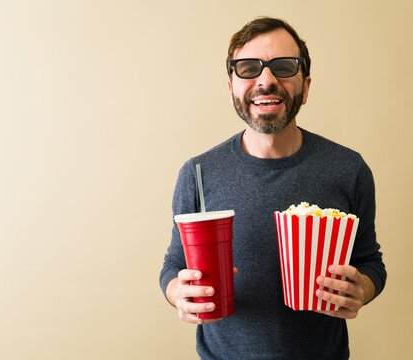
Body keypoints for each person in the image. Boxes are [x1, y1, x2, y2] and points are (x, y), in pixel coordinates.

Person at [159, 17, 386, 360]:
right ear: (232, 86)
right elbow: (173, 266)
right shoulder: (198, 174)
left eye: (283, 67)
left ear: (305, 87)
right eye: (248, 68)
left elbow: (370, 263)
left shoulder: (348, 169)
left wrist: (361, 289)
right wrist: (180, 293)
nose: (266, 80)